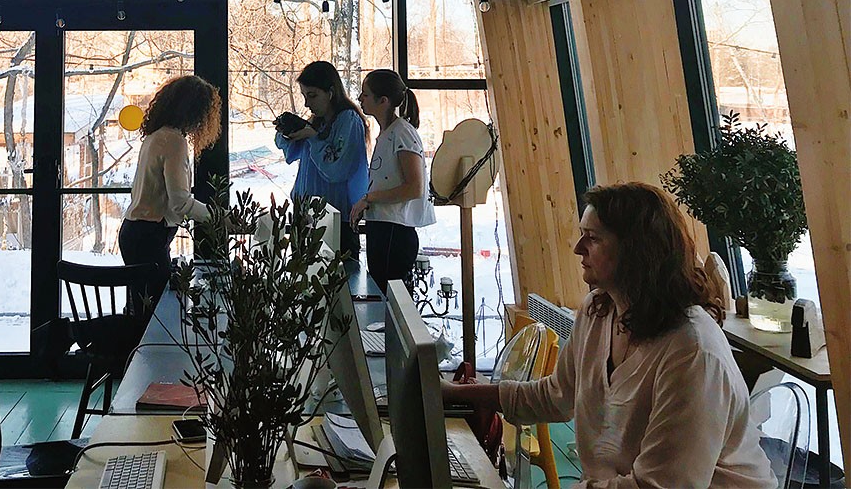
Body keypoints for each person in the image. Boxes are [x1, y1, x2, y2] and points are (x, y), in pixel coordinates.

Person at [441, 183, 775, 488]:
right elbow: (556, 395)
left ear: (637, 251)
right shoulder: (598, 311)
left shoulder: (693, 352)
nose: (578, 248)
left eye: (593, 238)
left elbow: (660, 487)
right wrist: (458, 394)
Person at [119, 75, 222, 302]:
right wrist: (219, 218)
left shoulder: (156, 136)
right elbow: (180, 203)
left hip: (135, 231)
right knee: (156, 311)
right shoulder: (174, 141)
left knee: (142, 306)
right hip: (149, 235)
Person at [350, 69, 436, 296]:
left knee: (391, 303)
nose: (360, 99)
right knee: (381, 299)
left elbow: (414, 188)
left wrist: (369, 198)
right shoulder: (387, 133)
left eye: (365, 94)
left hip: (394, 232)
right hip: (383, 228)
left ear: (383, 101)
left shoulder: (402, 133)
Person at [274, 60, 369, 261]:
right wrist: (287, 131)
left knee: (335, 278)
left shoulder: (348, 121)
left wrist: (313, 137)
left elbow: (337, 169)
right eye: (304, 96)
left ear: (331, 92)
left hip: (334, 220)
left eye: (313, 96)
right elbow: (292, 153)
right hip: (305, 217)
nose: (307, 104)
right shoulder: (317, 122)